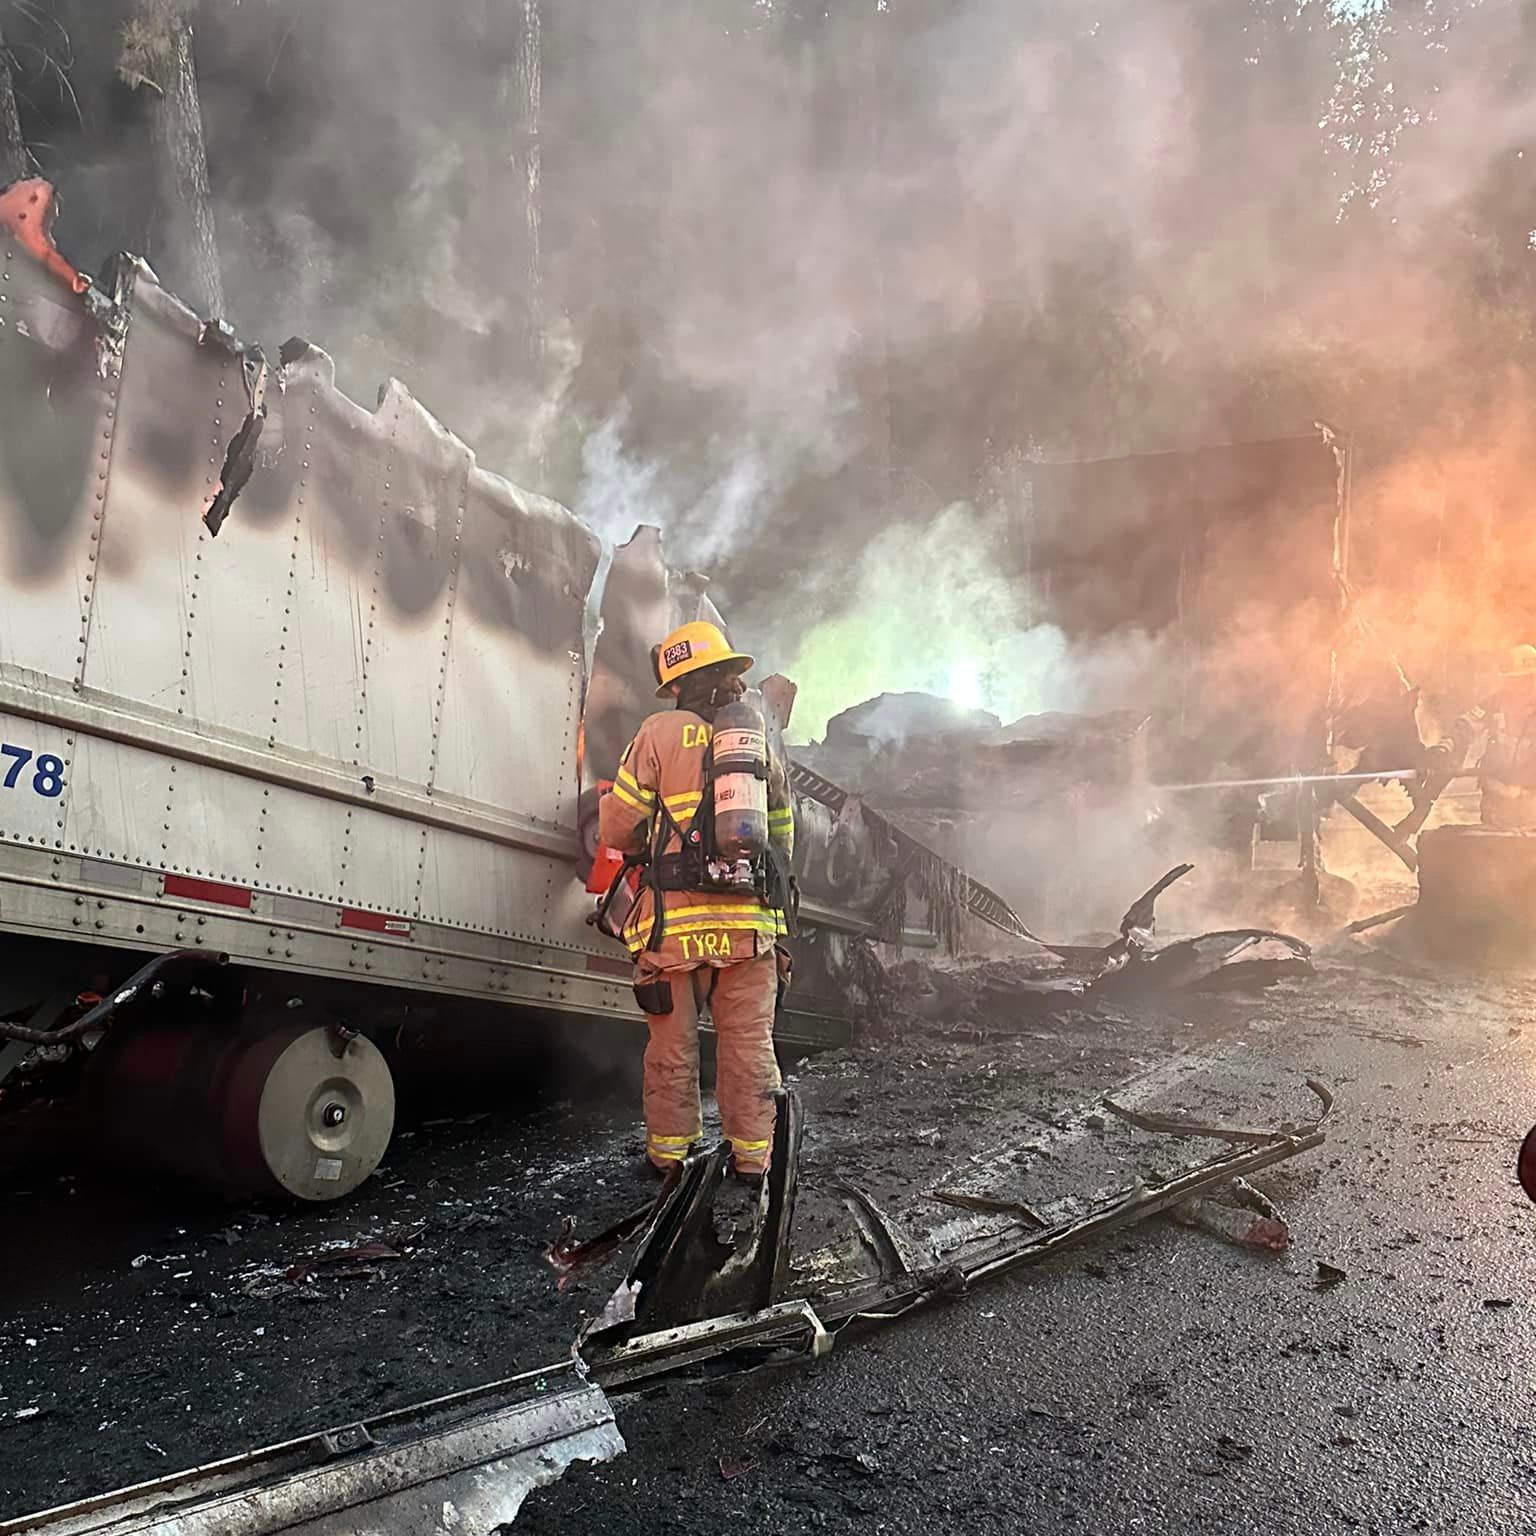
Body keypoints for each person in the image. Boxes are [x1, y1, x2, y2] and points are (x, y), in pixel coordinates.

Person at [597, 621, 796, 1179]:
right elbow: (782, 839)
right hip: (747, 934)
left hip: (673, 932)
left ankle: (670, 1158)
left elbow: (617, 828)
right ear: (729, 676)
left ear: (679, 684)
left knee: (671, 1051)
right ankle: (755, 1162)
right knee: (749, 1049)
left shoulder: (659, 733)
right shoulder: (754, 743)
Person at [1427, 643, 1536, 832]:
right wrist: (1445, 747)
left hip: (1531, 798)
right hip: (1497, 796)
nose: (1518, 687)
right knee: (1492, 851)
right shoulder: (1495, 702)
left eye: (1524, 680)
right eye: (1513, 681)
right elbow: (1467, 725)